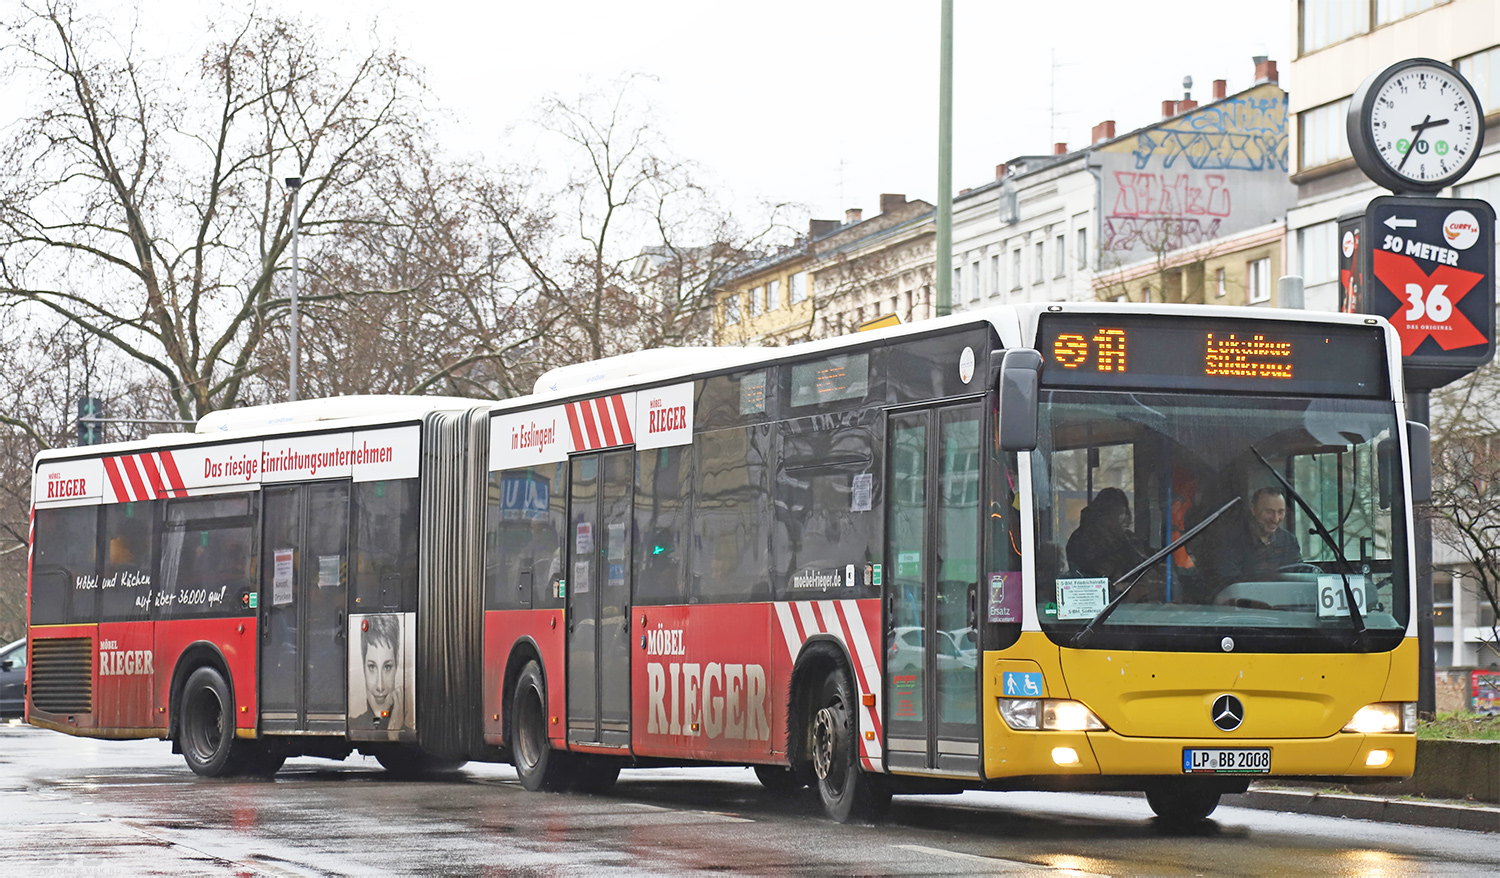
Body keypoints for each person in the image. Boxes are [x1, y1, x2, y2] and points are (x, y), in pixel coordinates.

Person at [1210, 487, 1303, 583]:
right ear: (1253, 510)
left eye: (1280, 512)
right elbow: (1229, 583)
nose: (1275, 519)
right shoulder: (1231, 542)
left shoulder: (1289, 541)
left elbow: (1300, 574)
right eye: (1269, 512)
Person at [1066, 488, 1147, 583]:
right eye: (1116, 512)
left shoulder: (1126, 537)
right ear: (1101, 513)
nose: (1121, 518)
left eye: (1123, 513)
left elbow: (1143, 564)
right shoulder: (1082, 539)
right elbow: (1091, 573)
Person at [350, 614, 404, 731]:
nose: (380, 686)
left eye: (387, 667)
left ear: (397, 662)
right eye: (372, 667)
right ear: (363, 665)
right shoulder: (352, 726)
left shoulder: (410, 731)